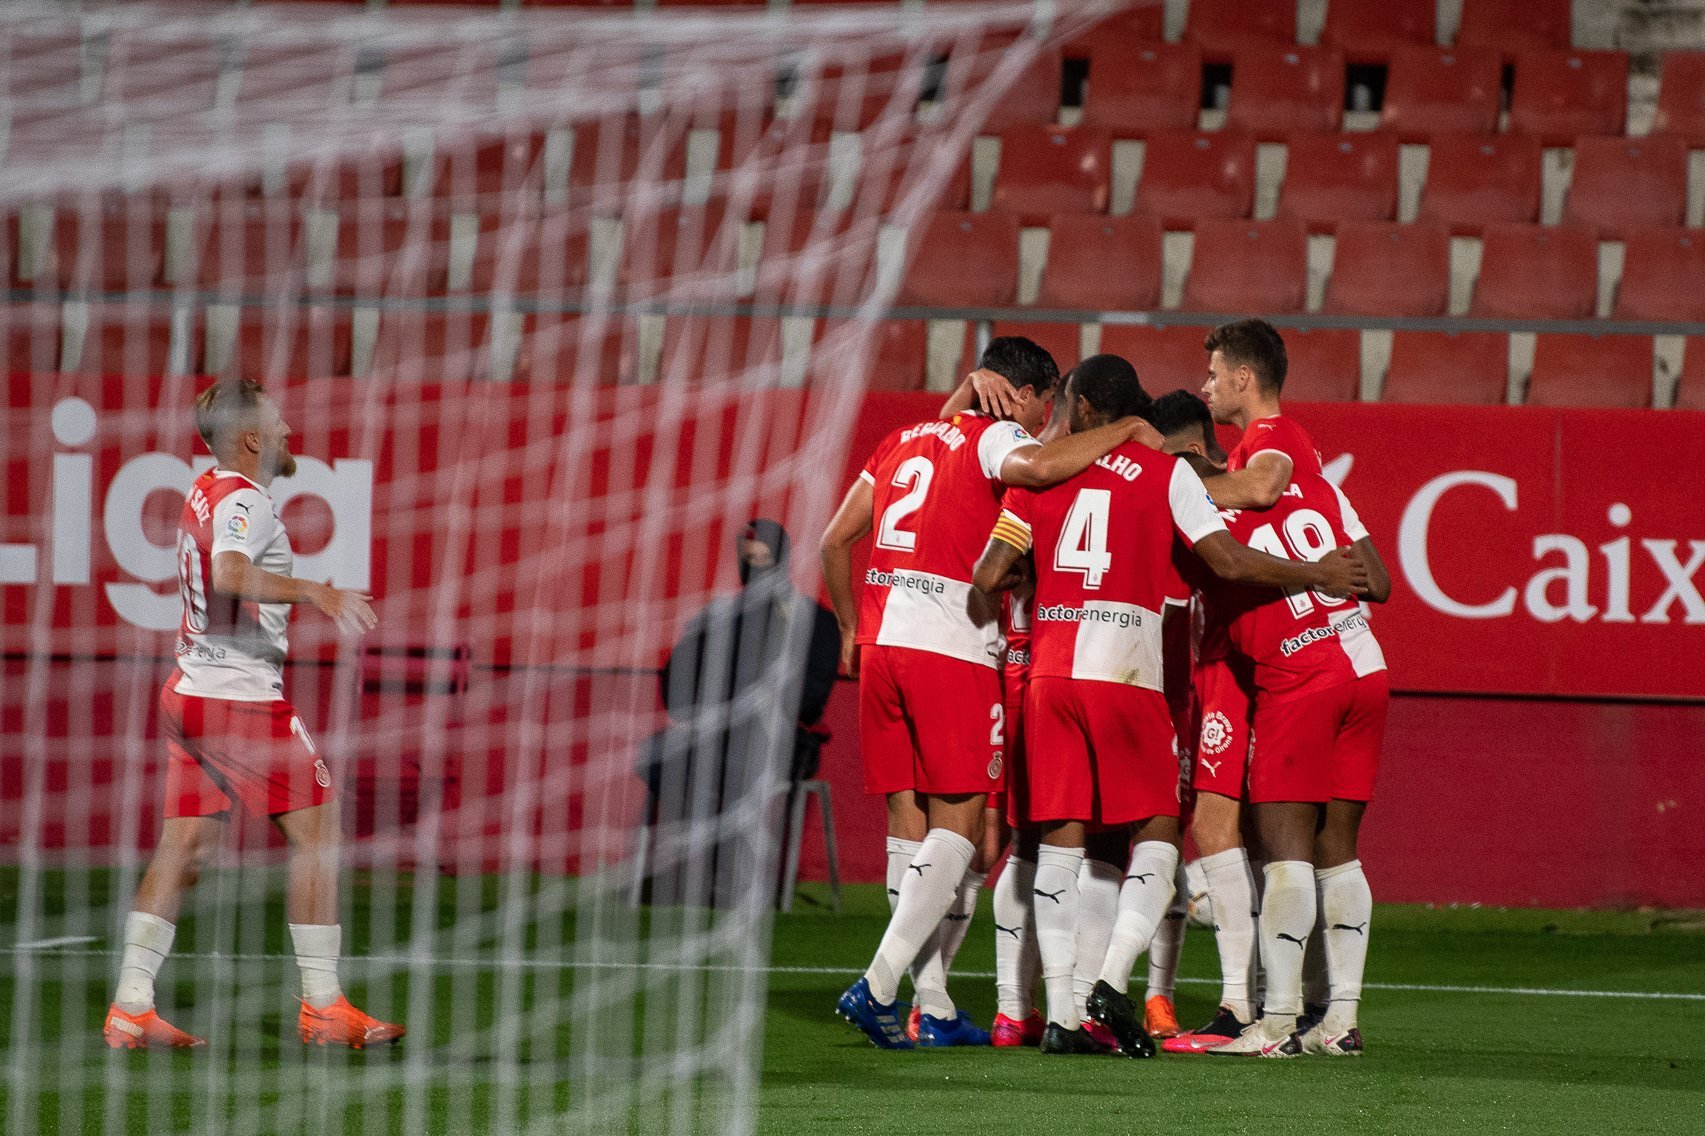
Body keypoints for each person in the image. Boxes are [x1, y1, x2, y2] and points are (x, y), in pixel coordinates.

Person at [971, 356, 1369, 1058]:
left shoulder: (1044, 474)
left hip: (1050, 676)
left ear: (1081, 408)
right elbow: (1227, 562)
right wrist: (1317, 575)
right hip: (1127, 675)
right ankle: (1120, 983)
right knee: (1157, 832)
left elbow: (989, 575)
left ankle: (1059, 1012)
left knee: (1054, 848)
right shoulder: (1167, 476)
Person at [821, 337, 1154, 1050]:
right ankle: (879, 985)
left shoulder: (903, 437)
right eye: (1043, 403)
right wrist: (1121, 428)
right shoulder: (999, 436)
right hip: (949, 644)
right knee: (960, 826)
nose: (1043, 421)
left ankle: (931, 1002)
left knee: (904, 824)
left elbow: (831, 540)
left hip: (881, 643)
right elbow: (1031, 464)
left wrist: (850, 626)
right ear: (1025, 394)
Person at [103, 379, 402, 1050]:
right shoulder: (245, 501)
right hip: (236, 698)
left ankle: (131, 1003)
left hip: (189, 690)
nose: (290, 429)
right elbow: (232, 574)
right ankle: (323, 1006)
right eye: (278, 420)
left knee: (187, 846)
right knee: (319, 833)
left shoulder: (205, 490)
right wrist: (314, 592)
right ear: (251, 438)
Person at [1203, 467, 1392, 1058]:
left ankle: (1279, 1021)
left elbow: (1231, 567)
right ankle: (1341, 1020)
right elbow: (1380, 584)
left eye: (1216, 372)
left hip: (1300, 678)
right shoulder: (1317, 484)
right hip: (1365, 666)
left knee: (1285, 852)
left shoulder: (1200, 510)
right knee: (1340, 852)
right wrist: (1326, 578)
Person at [641, 519, 841, 907]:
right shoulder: (718, 616)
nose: (755, 572)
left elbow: (811, 696)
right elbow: (676, 678)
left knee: (736, 760)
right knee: (659, 756)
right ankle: (693, 866)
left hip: (784, 739)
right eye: (747, 562)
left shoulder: (814, 621)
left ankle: (728, 875)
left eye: (764, 562)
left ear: (782, 563)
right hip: (713, 733)